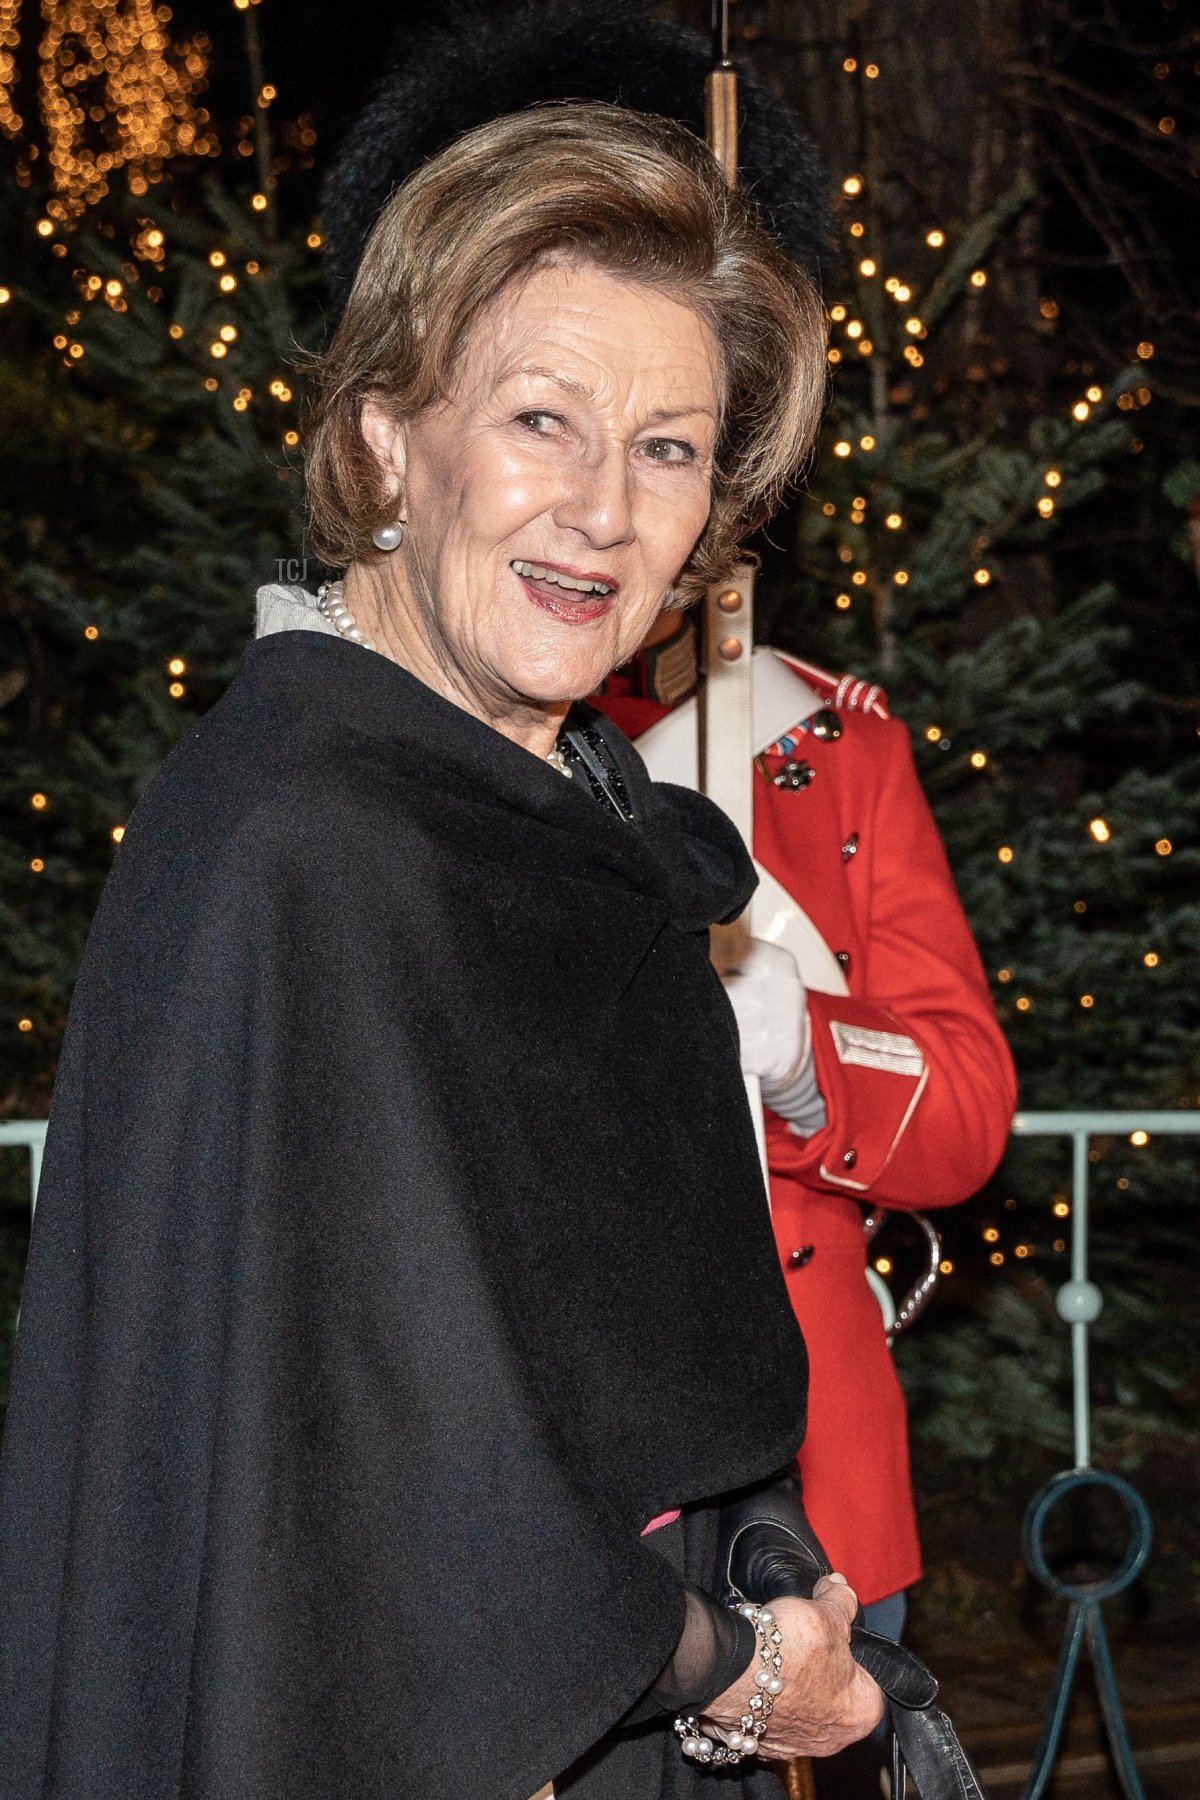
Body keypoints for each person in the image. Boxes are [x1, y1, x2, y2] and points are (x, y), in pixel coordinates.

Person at [0, 106, 887, 1799]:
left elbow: (639, 1328)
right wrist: (744, 1673)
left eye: (670, 449)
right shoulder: (307, 838)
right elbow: (394, 1480)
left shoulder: (561, 803)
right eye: (542, 419)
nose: (605, 510)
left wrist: (763, 1553)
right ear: (390, 438)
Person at [594, 611, 1018, 1785]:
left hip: (810, 1485)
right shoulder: (447, 728)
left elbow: (968, 1106)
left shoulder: (823, 743)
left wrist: (808, 1059)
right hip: (551, 1477)